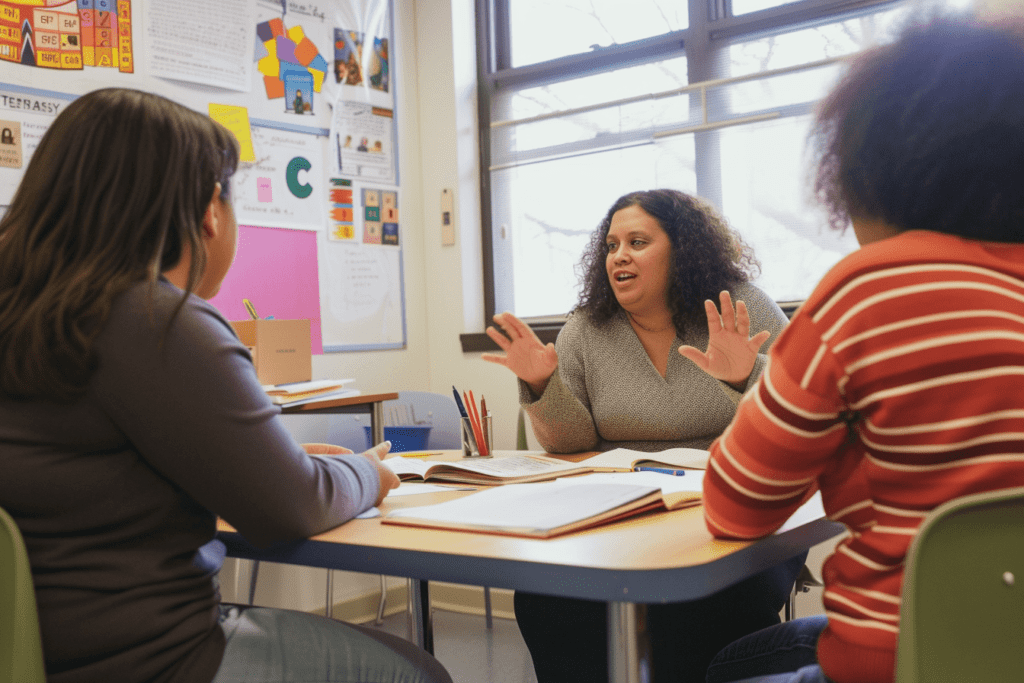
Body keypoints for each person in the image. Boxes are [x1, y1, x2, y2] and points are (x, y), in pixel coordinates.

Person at [0, 88, 451, 683]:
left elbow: (96, 473)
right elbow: (291, 506)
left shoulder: (28, 313)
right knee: (418, 673)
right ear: (210, 211)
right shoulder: (156, 317)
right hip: (153, 658)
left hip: (42, 654)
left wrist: (272, 461)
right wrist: (371, 473)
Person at [701, 15, 1024, 683]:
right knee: (740, 655)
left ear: (874, 168)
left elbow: (733, 506)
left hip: (902, 658)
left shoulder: (870, 287)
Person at [482, 188, 804, 682]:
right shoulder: (586, 328)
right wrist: (542, 385)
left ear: (683, 250)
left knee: (686, 612)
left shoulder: (741, 308)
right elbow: (569, 444)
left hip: (738, 517)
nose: (620, 256)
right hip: (622, 517)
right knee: (546, 599)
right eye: (611, 245)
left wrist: (745, 377)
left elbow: (801, 421)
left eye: (637, 241)